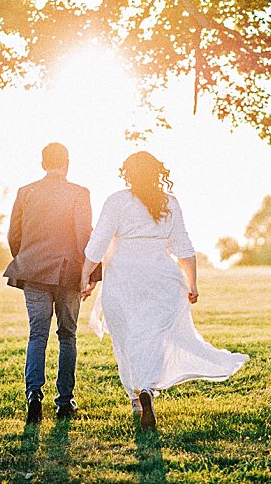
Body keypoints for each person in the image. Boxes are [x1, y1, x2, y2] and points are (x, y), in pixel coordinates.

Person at [79, 151, 248, 428]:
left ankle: (136, 395)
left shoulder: (117, 201)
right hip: (162, 278)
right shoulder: (170, 203)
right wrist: (192, 282)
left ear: (127, 174)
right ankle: (146, 389)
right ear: (157, 173)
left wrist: (85, 274)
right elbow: (183, 246)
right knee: (154, 336)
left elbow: (99, 241)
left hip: (124, 279)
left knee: (127, 339)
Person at [3, 142, 101, 424]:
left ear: (42, 163)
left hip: (33, 271)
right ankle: (64, 401)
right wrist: (90, 274)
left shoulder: (25, 192)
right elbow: (85, 235)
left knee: (37, 335)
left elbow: (13, 235)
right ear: (67, 162)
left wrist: (29, 259)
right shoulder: (79, 193)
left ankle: (33, 395)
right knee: (67, 336)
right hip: (68, 272)